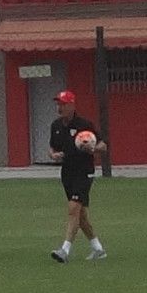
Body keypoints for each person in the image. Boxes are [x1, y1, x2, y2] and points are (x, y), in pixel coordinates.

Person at [48, 91, 106, 263]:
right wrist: (53, 155)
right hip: (67, 172)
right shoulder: (56, 126)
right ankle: (98, 249)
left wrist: (93, 148)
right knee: (81, 216)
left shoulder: (84, 125)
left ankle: (64, 250)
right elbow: (51, 148)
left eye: (63, 104)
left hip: (84, 171)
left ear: (72, 105)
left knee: (73, 208)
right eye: (58, 104)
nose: (60, 108)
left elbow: (103, 145)